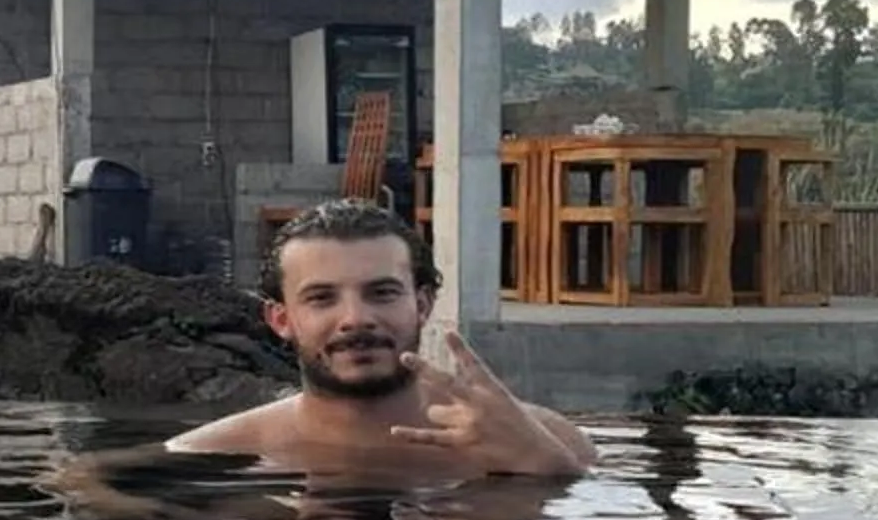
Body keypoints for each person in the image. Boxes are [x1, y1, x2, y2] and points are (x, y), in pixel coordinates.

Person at [169, 197, 594, 481]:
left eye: (382, 293)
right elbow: (107, 479)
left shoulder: (547, 442)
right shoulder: (218, 449)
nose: (356, 319)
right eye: (322, 298)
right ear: (281, 319)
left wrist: (545, 467)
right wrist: (104, 494)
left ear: (423, 304)